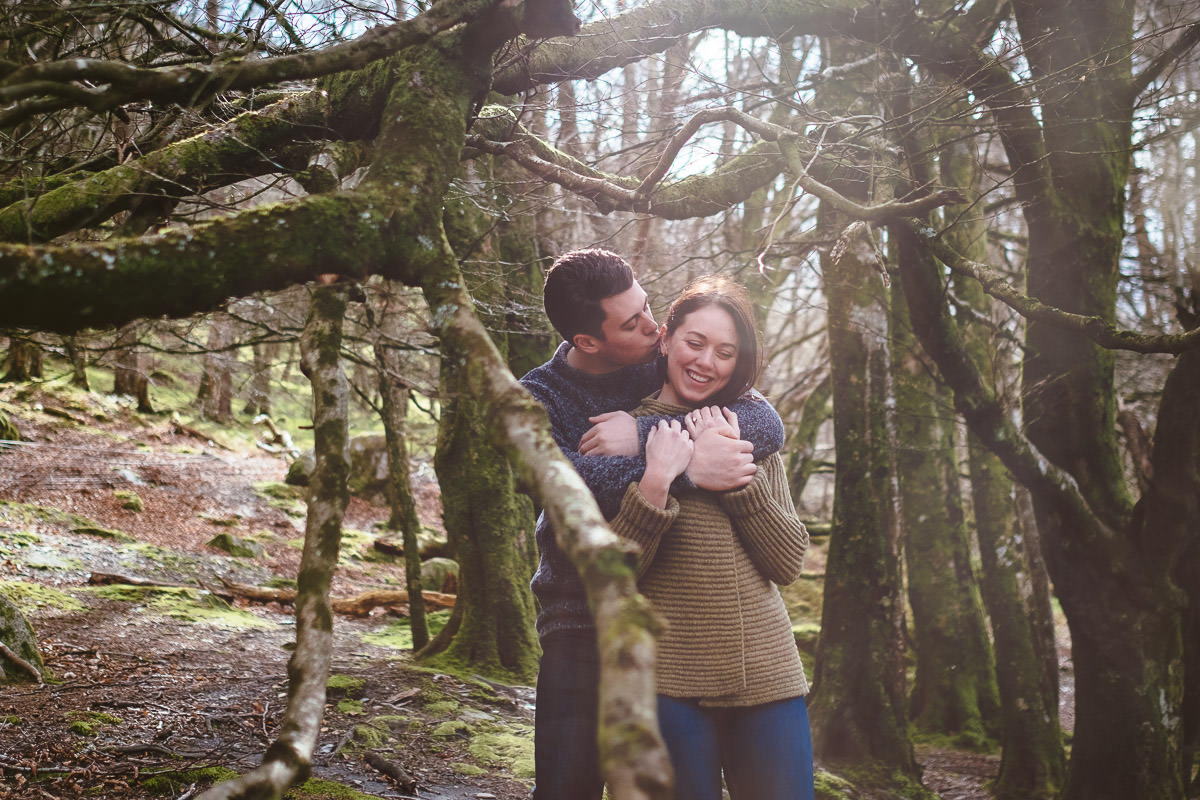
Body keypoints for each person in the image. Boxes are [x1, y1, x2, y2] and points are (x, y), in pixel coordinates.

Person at [519, 249, 785, 800]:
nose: (653, 325)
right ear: (588, 341)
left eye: (646, 306)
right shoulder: (539, 397)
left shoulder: (661, 356)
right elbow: (563, 484)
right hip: (579, 618)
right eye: (632, 322)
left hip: (666, 618)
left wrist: (642, 436)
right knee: (566, 785)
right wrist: (683, 467)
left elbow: (764, 422)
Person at [607, 274, 814, 800]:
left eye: (725, 352)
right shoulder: (623, 436)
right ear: (666, 338)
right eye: (695, 343)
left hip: (767, 676)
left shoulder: (746, 430)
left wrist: (737, 482)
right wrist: (656, 481)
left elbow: (788, 563)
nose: (706, 362)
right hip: (665, 684)